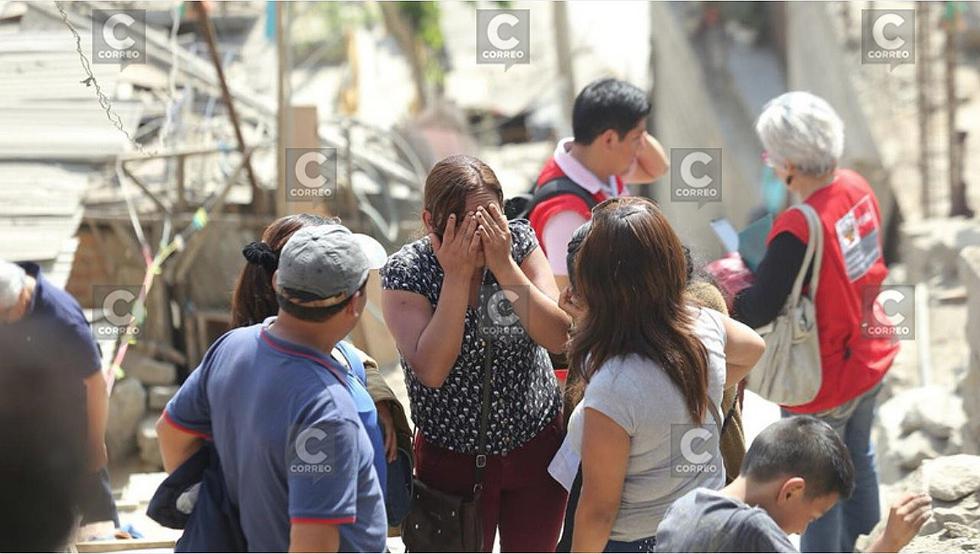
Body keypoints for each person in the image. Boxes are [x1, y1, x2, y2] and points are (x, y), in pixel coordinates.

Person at [731, 91, 900, 553]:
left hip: (824, 379)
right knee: (859, 461)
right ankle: (872, 545)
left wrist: (727, 290)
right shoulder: (856, 186)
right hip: (870, 355)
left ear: (788, 164)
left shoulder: (797, 226)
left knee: (812, 491)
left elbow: (761, 307)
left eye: (771, 155)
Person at [380, 154, 572, 552]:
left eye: (491, 217)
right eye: (467, 223)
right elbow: (432, 370)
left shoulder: (516, 244)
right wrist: (456, 276)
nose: (482, 233)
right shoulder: (408, 272)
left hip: (534, 442)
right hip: (451, 458)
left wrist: (503, 268)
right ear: (432, 222)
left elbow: (559, 338)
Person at [157, 224, 388, 552]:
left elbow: (171, 434)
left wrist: (223, 516)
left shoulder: (231, 347)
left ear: (278, 283)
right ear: (354, 303)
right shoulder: (326, 410)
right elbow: (313, 546)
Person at [555, 197, 765, 552]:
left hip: (639, 541)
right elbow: (754, 347)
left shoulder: (615, 386)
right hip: (703, 526)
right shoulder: (705, 326)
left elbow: (599, 512)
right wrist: (697, 390)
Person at [230, 213, 412, 516]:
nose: (357, 295)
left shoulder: (329, 353)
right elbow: (314, 518)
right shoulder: (299, 387)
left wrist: (375, 394)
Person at [654, 416, 932, 553]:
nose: (801, 530)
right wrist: (887, 544)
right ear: (791, 491)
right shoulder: (750, 529)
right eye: (812, 517)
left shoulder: (686, 505)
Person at [0, 259, 119, 541]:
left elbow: (96, 384)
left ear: (23, 298)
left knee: (93, 504)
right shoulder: (9, 305)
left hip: (66, 423)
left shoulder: (62, 319)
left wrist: (94, 442)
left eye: (4, 315)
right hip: (20, 423)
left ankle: (104, 534)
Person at [530, 78, 669, 289]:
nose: (642, 147)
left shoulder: (602, 165)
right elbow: (567, 298)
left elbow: (658, 167)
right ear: (609, 140)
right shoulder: (565, 215)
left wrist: (633, 120)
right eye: (637, 138)